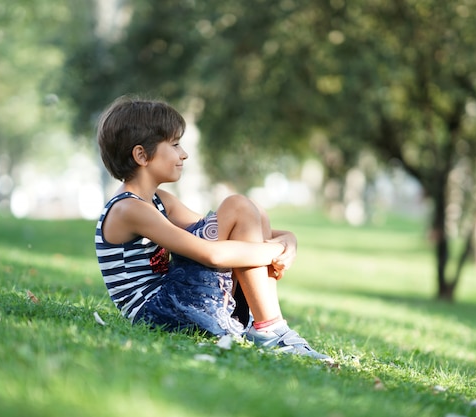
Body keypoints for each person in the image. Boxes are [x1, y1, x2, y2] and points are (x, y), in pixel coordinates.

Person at [94, 95, 331, 361]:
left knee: (250, 209)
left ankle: (263, 323)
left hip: (175, 296)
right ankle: (270, 329)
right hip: (158, 310)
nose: (183, 153)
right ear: (141, 155)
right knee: (238, 205)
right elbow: (211, 255)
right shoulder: (128, 209)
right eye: (174, 145)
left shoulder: (159, 201)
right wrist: (275, 250)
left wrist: (289, 239)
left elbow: (230, 227)